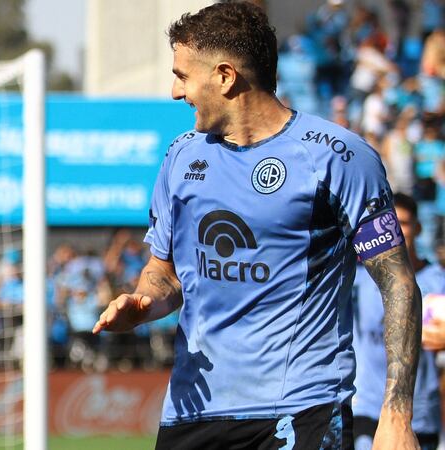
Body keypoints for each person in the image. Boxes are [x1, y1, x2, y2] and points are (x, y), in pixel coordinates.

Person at [93, 2, 421, 449]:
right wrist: (144, 302)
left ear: (225, 76)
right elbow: (164, 274)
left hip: (302, 408)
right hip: (195, 409)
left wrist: (397, 415)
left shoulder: (337, 156)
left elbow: (398, 282)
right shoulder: (181, 157)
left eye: (183, 75)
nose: (175, 91)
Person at [351, 193, 442, 450]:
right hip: (368, 408)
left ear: (418, 227)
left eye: (404, 223)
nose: (397, 232)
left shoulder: (437, 281)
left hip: (421, 412)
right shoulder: (359, 278)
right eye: (391, 223)